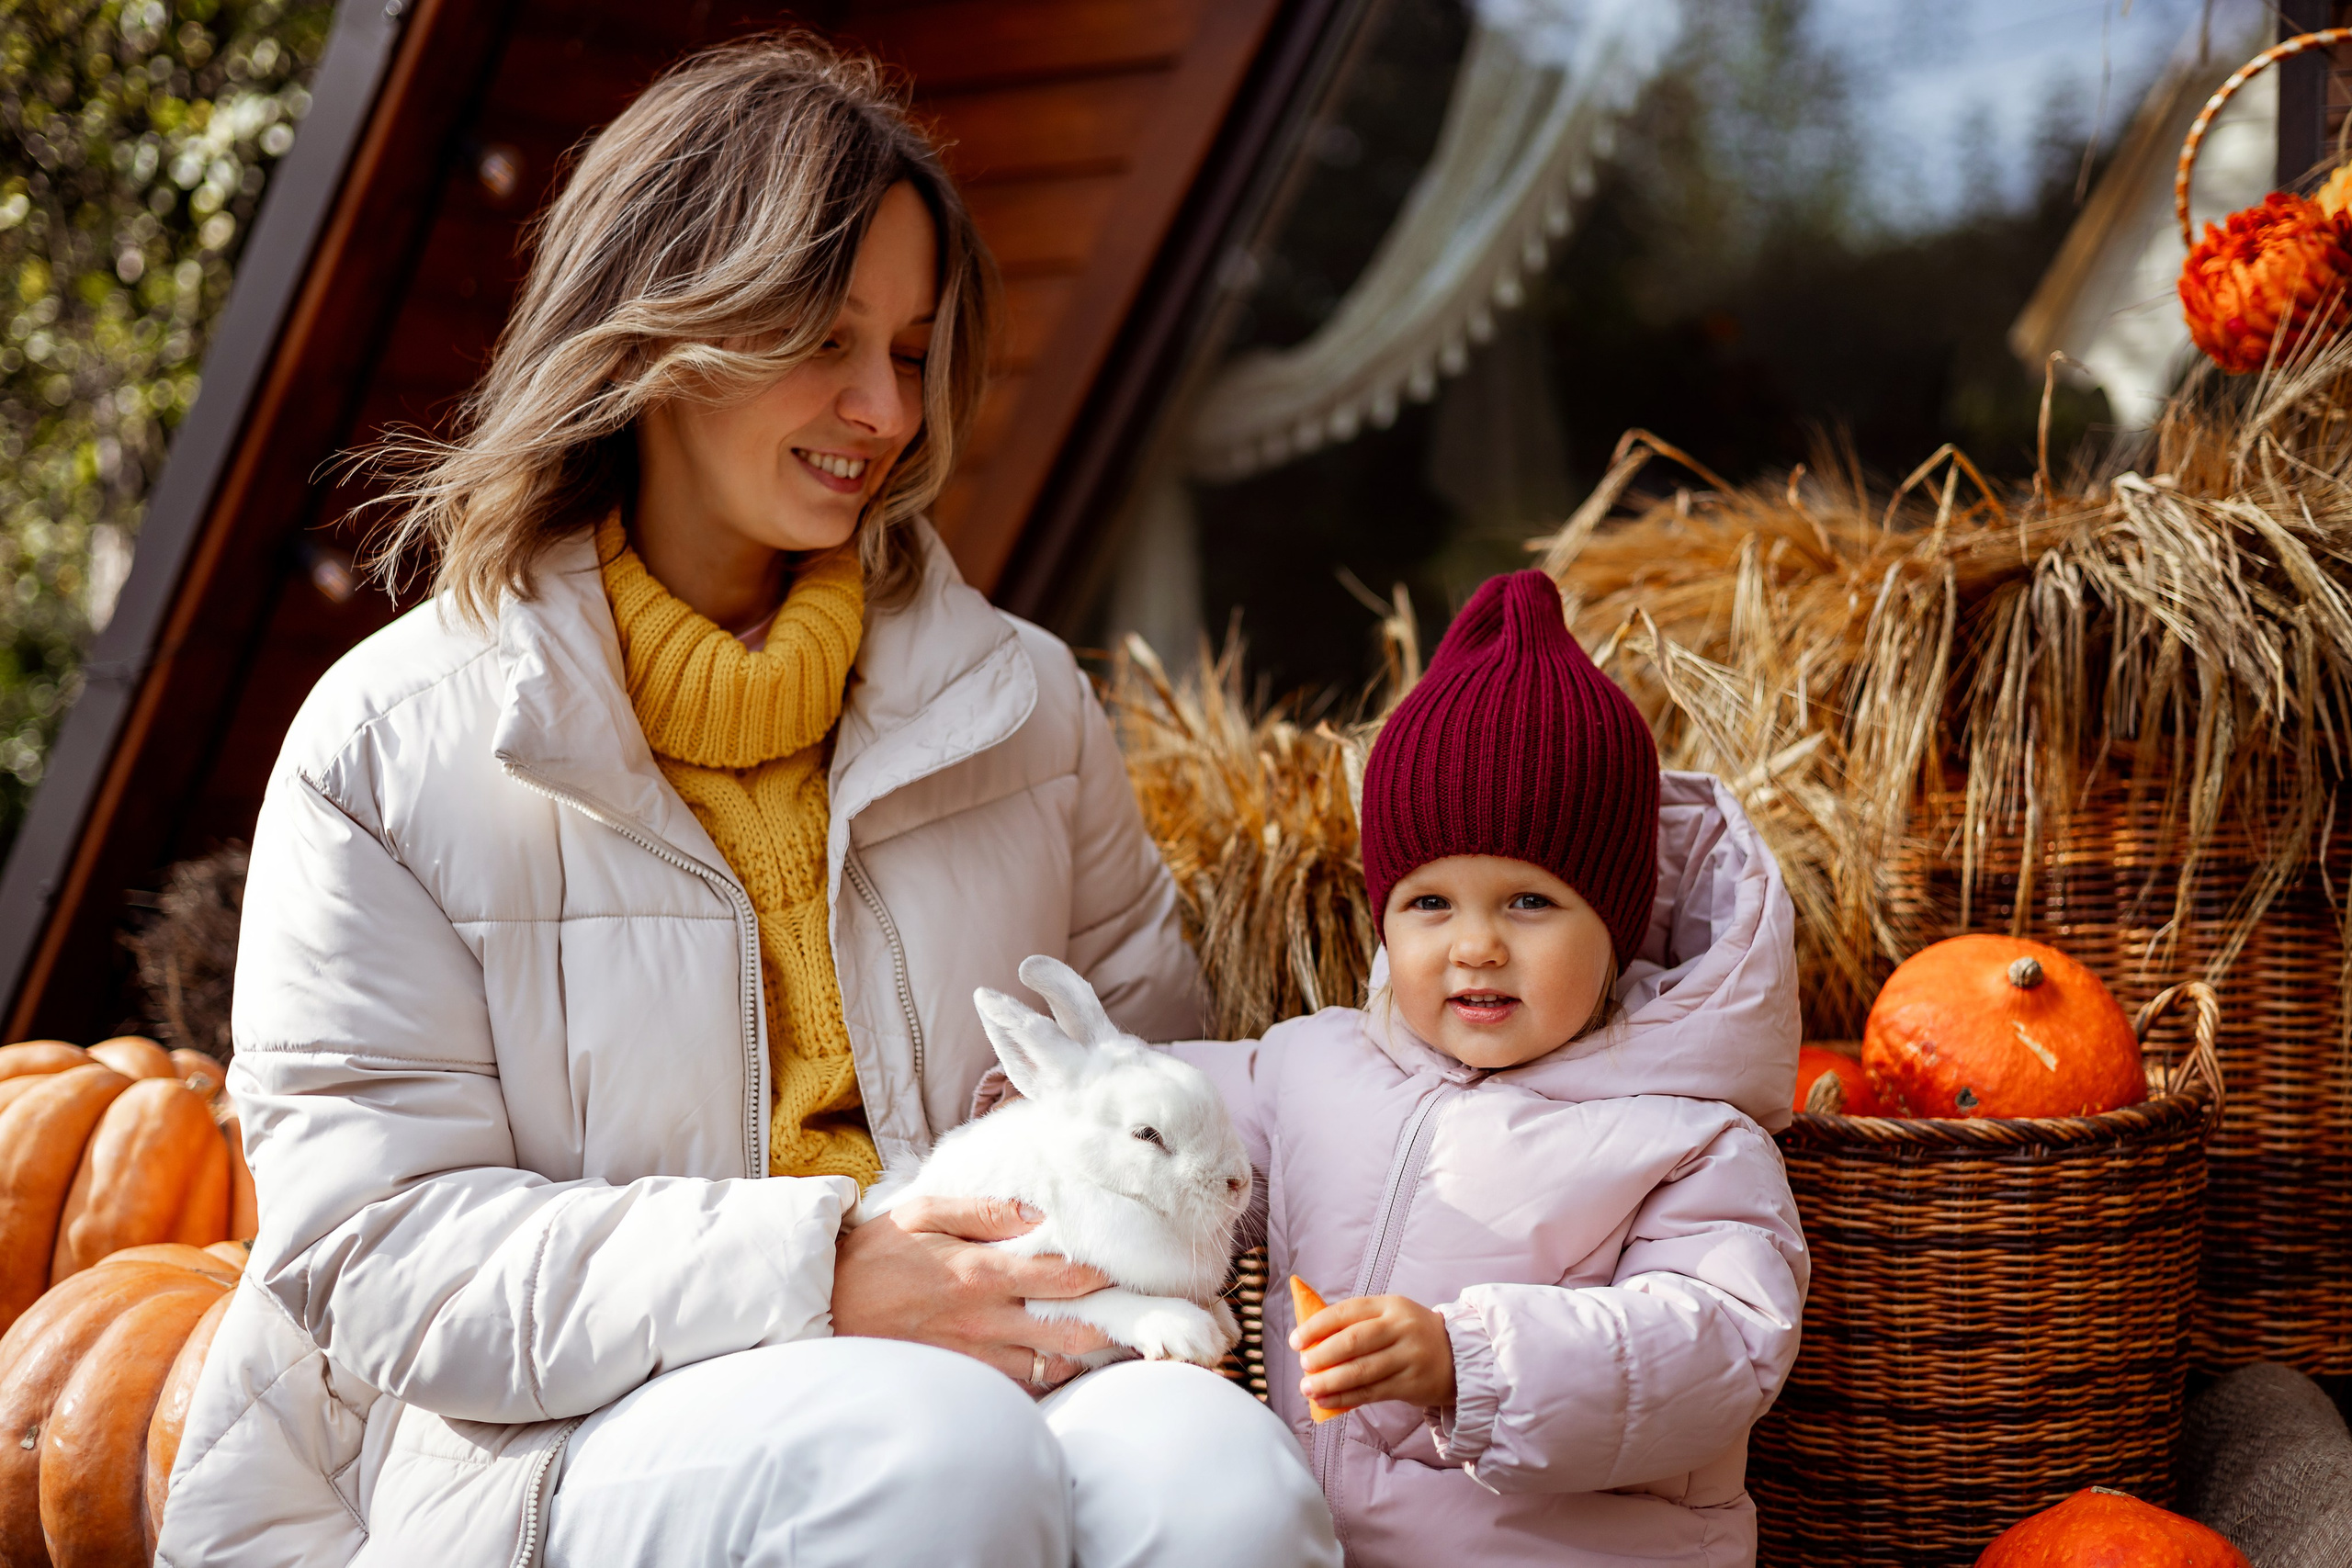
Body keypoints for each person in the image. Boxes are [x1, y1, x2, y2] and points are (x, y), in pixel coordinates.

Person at [155, 37, 1338, 1568]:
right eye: (824, 337)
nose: (883, 407)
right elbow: (380, 1248)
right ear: (659, 328)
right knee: (929, 1457)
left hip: (1018, 1352)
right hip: (557, 1438)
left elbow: (1153, 1097)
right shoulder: (390, 746)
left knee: (1225, 1487)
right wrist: (815, 1268)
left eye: (911, 349)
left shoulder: (1024, 707)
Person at [1173, 568, 1809, 1567]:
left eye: (1529, 902)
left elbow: (1719, 1345)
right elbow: (1164, 1115)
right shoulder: (1312, 1068)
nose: (1474, 945)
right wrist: (1037, 1106)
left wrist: (1466, 1361)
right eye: (1430, 903)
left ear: (1615, 926)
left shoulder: (1689, 1136)